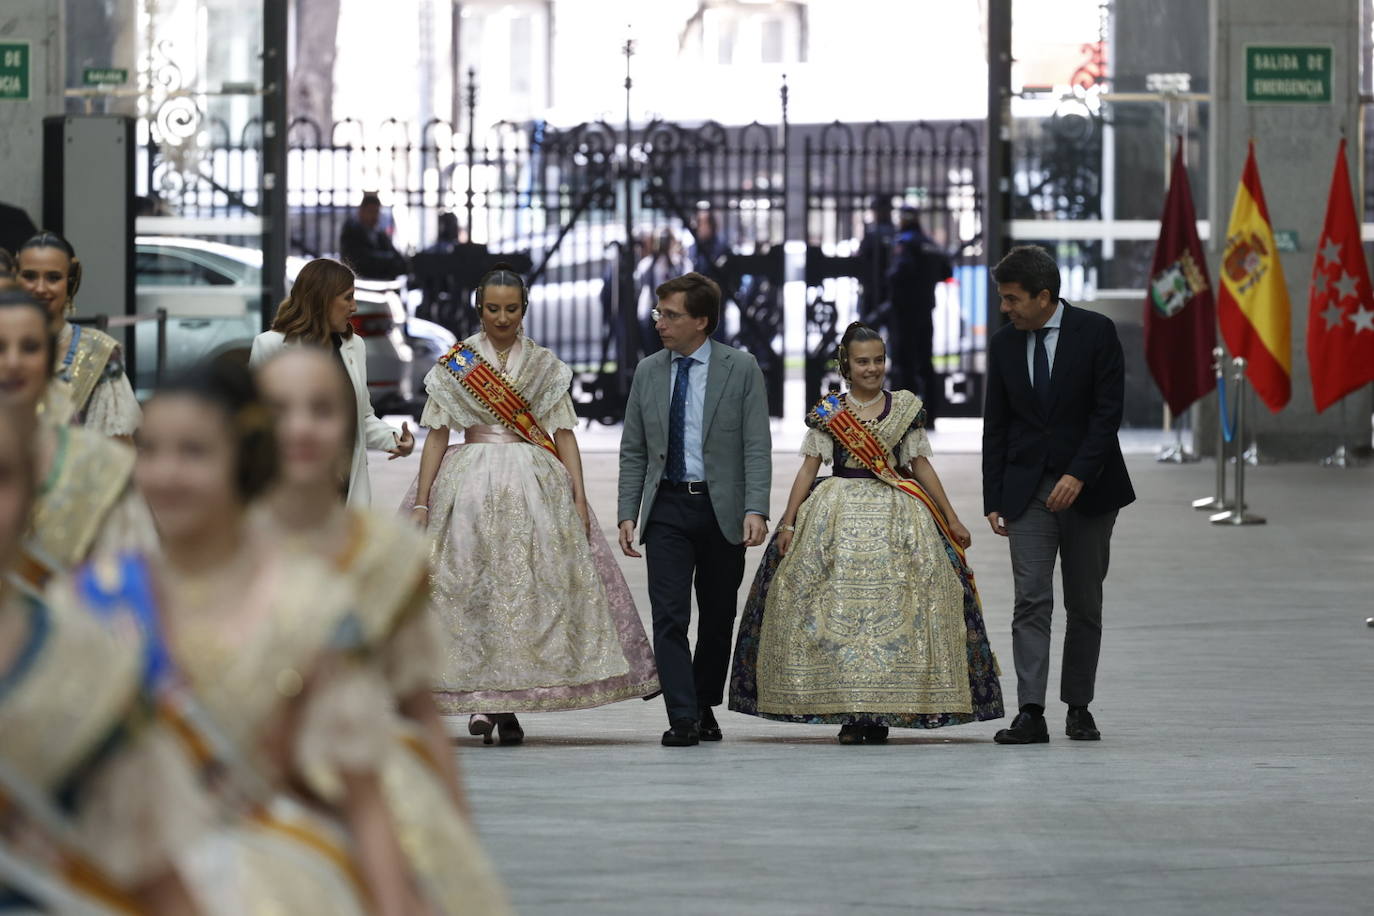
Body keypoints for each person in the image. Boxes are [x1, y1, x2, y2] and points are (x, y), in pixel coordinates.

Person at [105, 360, 428, 914]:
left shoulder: (306, 604)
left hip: (270, 878)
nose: (167, 474)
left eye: (194, 452)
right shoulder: (99, 600)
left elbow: (361, 792)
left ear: (240, 461)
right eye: (151, 451)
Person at [253, 346, 512, 914]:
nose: (300, 428)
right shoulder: (205, 552)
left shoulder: (382, 556)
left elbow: (419, 711)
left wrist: (457, 831)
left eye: (322, 410)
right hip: (246, 816)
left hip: (377, 808)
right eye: (280, 409)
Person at [406, 263, 659, 745]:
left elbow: (563, 436)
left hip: (533, 484)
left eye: (512, 309)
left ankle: (506, 703)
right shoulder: (457, 365)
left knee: (525, 593)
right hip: (466, 487)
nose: (502, 318)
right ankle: (483, 700)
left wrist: (579, 496)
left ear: (525, 309)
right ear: (478, 308)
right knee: (468, 592)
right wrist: (422, 501)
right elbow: (436, 436)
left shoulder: (545, 365)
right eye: (492, 309)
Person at [728, 322, 1003, 743]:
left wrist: (950, 516)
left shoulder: (905, 408)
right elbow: (807, 470)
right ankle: (850, 711)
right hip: (834, 513)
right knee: (828, 608)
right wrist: (788, 521)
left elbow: (921, 465)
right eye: (862, 361)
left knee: (908, 607)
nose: (872, 369)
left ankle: (883, 711)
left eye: (878, 360)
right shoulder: (830, 412)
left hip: (898, 513)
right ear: (846, 365)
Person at [0, 402, 206, 913]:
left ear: (31, 499)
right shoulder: (271, 342)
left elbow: (158, 878)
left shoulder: (87, 660)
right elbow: (439, 401)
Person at [982, 245, 1135, 745]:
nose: (1005, 308)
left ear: (1043, 297)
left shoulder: (1096, 334)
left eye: (1012, 299)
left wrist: (1078, 474)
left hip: (1089, 491)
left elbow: (1106, 414)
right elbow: (996, 427)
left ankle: (1079, 706)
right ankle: (1030, 711)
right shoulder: (1005, 345)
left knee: (1084, 602)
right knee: (1031, 599)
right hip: (1026, 492)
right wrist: (994, 497)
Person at [618, 272, 772, 747]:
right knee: (669, 616)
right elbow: (634, 449)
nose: (660, 323)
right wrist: (628, 510)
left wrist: (756, 508)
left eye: (671, 315)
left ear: (702, 321)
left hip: (720, 508)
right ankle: (682, 715)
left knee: (718, 614)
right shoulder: (648, 372)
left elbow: (755, 447)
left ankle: (704, 702)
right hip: (666, 506)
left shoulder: (740, 368)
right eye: (658, 314)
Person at [0, 289, 155, 586]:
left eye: (30, 347)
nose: (13, 362)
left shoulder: (100, 466)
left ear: (49, 361)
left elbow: (131, 584)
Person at [249, 257, 414, 507]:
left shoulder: (354, 346)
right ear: (323, 299)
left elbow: (363, 417)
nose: (354, 307)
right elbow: (254, 420)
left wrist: (395, 439)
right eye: (348, 297)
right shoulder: (270, 346)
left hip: (345, 491)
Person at [15, 231, 142, 438]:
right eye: (29, 276)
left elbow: (119, 451)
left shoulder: (99, 351)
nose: (39, 288)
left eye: (53, 278)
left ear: (71, 282)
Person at [887, 207, 953, 426]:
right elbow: (947, 271)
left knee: (904, 363)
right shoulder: (930, 244)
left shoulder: (905, 243)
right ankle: (931, 414)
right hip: (926, 311)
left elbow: (898, 273)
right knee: (925, 363)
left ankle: (905, 415)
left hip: (905, 312)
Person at [340, 192, 408, 279]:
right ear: (361, 211)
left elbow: (400, 261)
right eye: (370, 211)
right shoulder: (351, 231)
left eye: (376, 212)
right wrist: (389, 260)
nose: (374, 216)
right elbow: (358, 261)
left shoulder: (379, 234)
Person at [855, 194, 896, 327]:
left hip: (873, 291)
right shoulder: (897, 234)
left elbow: (861, 261)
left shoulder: (872, 235)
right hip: (891, 292)